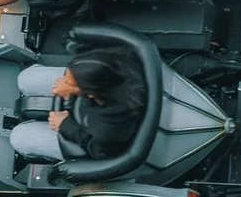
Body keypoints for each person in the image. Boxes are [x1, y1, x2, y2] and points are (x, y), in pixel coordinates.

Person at [9, 44, 147, 162]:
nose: (62, 81)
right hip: (87, 100)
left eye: (68, 81)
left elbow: (96, 149)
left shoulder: (107, 130)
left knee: (19, 137)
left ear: (91, 93)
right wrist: (71, 91)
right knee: (26, 78)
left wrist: (65, 125)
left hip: (84, 133)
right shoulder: (118, 62)